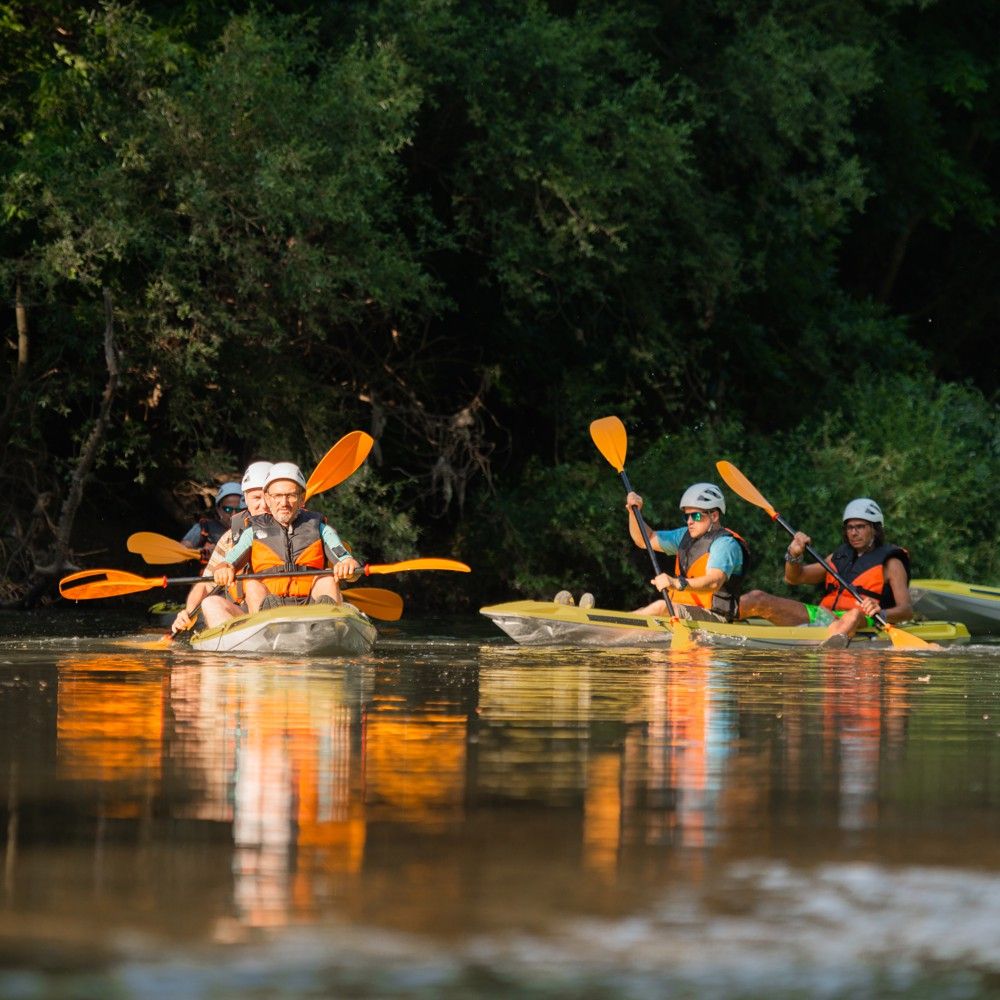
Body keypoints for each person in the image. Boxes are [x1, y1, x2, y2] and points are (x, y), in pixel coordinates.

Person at [738, 498, 913, 647]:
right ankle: (718, 619)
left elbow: (906, 611)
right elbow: (794, 578)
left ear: (875, 529)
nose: (853, 532)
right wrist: (794, 555)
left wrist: (880, 613)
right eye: (849, 527)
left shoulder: (892, 563)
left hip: (863, 621)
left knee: (853, 614)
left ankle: (829, 650)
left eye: (860, 527)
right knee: (757, 597)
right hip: (824, 616)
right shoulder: (838, 557)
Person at [213, 462, 360, 613]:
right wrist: (223, 569)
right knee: (251, 583)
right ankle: (264, 625)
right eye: (277, 496)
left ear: (302, 499)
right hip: (270, 604)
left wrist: (349, 566)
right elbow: (228, 563)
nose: (284, 503)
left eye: (291, 495)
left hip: (311, 602)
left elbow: (348, 563)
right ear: (268, 499)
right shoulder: (252, 533)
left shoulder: (321, 530)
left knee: (327, 580)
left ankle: (328, 623)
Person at [626, 482, 750, 622]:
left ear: (714, 516)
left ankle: (611, 631)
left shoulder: (725, 544)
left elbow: (714, 582)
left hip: (715, 618)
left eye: (696, 516)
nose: (690, 521)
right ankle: (613, 631)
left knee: (660, 608)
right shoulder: (684, 535)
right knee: (648, 611)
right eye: (687, 516)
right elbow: (645, 540)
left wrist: (676, 583)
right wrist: (633, 512)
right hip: (684, 612)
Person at [171, 462, 272, 633]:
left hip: (287, 608)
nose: (263, 505)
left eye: (268, 497)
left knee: (254, 587)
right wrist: (188, 613)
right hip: (245, 613)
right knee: (210, 602)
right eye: (256, 498)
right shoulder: (229, 537)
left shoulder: (303, 529)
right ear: (246, 499)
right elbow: (205, 585)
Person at [180, 481, 245, 562]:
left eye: (239, 510)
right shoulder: (204, 527)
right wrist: (202, 551)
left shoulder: (251, 529)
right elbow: (181, 550)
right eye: (228, 509)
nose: (233, 514)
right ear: (218, 509)